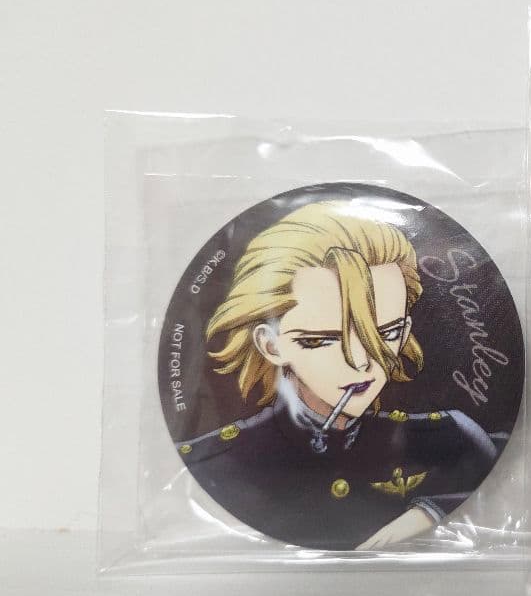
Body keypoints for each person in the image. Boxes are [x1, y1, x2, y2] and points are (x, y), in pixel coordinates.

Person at [178, 200, 497, 550]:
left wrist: (432, 511)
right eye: (321, 340)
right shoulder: (212, 462)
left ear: (406, 331)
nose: (361, 363)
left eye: (387, 333)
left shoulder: (453, 441)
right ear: (271, 345)